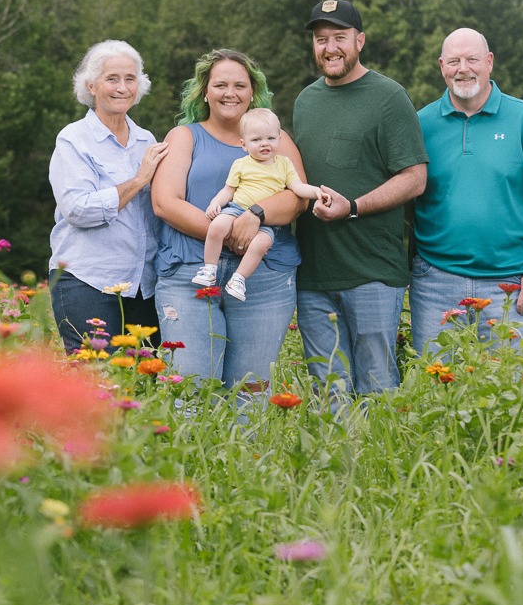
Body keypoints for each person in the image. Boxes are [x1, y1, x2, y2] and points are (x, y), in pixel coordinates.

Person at [152, 50, 308, 396]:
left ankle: (247, 453)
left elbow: (297, 199)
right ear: (204, 91)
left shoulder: (276, 140)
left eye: (240, 85)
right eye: (220, 84)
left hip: (263, 279)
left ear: (253, 91)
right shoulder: (184, 136)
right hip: (190, 275)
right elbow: (165, 202)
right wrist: (227, 233)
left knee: (251, 395)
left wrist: (256, 215)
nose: (230, 93)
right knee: (190, 392)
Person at [293, 0, 428, 395]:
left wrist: (353, 208)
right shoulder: (305, 101)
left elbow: (414, 178)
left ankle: (383, 459)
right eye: (321, 40)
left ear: (360, 40)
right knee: (328, 388)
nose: (330, 47)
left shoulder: (388, 97)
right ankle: (340, 459)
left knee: (377, 385)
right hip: (313, 274)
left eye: (340, 37)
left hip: (373, 272)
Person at [409, 27, 523, 356]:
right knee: (433, 394)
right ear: (441, 66)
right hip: (435, 282)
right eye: (453, 61)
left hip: (510, 283)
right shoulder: (420, 123)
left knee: (516, 392)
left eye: (472, 59)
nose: (463, 68)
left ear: (490, 62)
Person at [48, 40, 169, 354]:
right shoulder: (74, 139)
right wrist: (139, 179)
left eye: (130, 79)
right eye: (112, 79)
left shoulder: (147, 140)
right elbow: (77, 210)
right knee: (96, 385)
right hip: (87, 280)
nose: (122, 87)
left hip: (144, 285)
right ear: (91, 85)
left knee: (144, 386)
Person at [193, 108, 321, 302]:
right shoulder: (241, 164)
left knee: (262, 244)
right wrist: (215, 204)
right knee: (217, 226)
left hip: (267, 220)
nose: (264, 144)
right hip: (236, 208)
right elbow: (228, 190)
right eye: (256, 140)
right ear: (244, 145)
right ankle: (209, 268)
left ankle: (239, 278)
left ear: (279, 138)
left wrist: (317, 192)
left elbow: (298, 187)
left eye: (271, 138)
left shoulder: (284, 164)